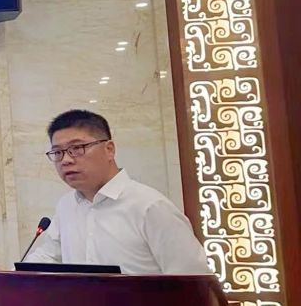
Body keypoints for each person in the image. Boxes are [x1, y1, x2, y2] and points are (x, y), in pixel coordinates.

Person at [24, 109, 210, 275]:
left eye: (77, 148)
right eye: (58, 152)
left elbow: (193, 281)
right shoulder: (66, 206)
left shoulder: (150, 207)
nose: (66, 160)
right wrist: (10, 278)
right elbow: (49, 257)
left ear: (109, 150)